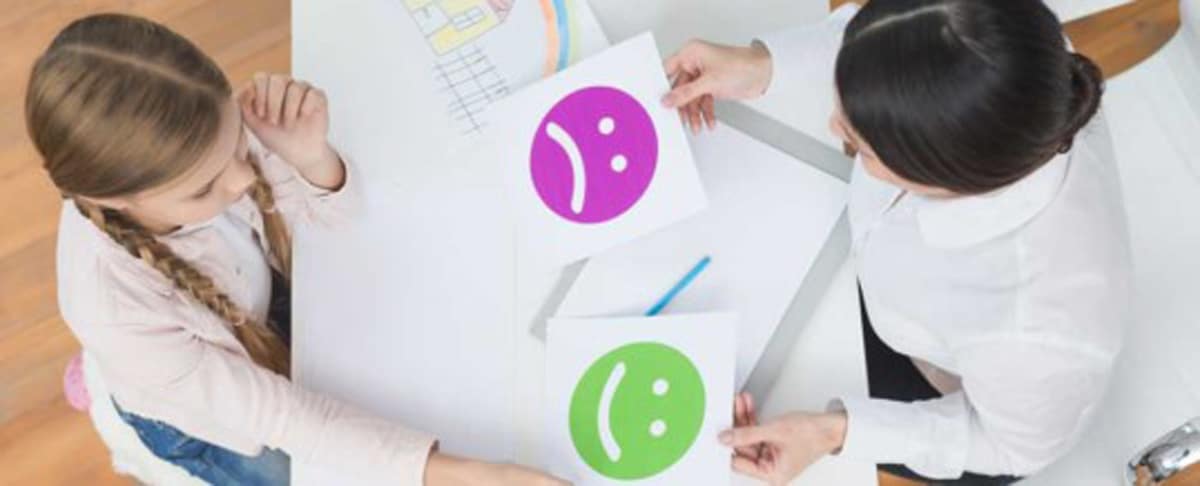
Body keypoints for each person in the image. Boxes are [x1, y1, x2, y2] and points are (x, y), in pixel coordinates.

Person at [26, 13, 564, 486]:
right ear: (108, 200)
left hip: (246, 312)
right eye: (203, 189)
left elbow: (338, 224)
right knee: (295, 474)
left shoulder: (201, 138)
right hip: (216, 421)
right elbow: (286, 420)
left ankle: (117, 375)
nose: (240, 179)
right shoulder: (113, 306)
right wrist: (461, 473)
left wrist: (312, 158)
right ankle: (115, 398)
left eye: (238, 142)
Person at [664, 1, 1132, 484]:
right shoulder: (1003, 36)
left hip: (946, 392)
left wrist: (835, 433)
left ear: (938, 172)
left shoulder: (1038, 333)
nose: (832, 126)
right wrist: (761, 65)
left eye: (861, 145)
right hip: (884, 278)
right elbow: (897, 42)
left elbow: (1008, 449)